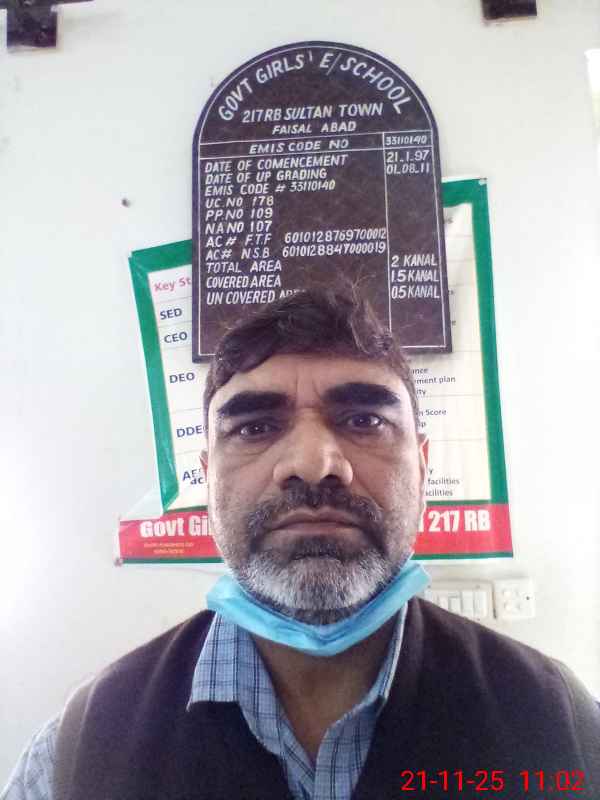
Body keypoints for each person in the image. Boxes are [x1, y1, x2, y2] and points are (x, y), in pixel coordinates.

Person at [3, 286, 600, 800]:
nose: (313, 464)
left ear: (423, 471)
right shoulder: (76, 755)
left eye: (365, 420)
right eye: (255, 426)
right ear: (209, 480)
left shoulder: (563, 728)